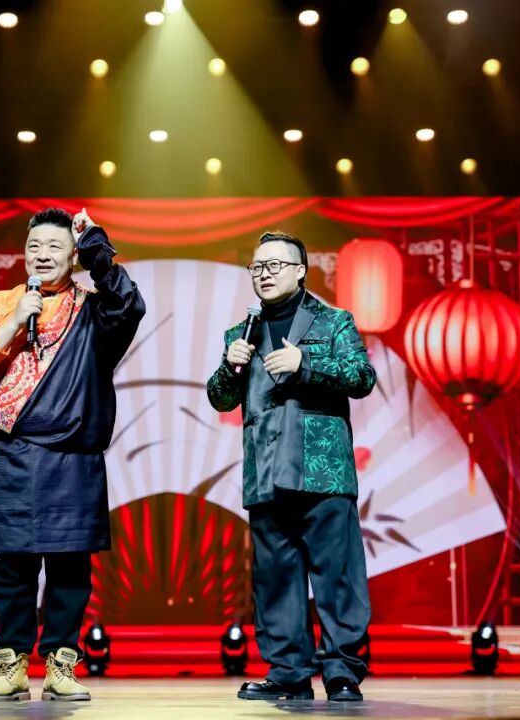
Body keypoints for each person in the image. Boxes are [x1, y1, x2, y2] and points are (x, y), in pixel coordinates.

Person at [0, 207, 145, 702]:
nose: (42, 255)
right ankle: (12, 665)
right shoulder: (3, 302)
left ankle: (61, 665)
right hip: (12, 451)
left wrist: (96, 243)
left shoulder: (93, 309)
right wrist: (13, 323)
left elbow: (130, 305)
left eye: (55, 247)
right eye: (34, 246)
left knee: (70, 568)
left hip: (74, 455)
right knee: (12, 568)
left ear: (73, 256)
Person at [206, 231, 377, 702]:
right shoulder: (241, 332)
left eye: (275, 265)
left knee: (336, 577)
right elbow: (220, 397)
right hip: (265, 471)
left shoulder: (334, 321)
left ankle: (341, 672)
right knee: (276, 580)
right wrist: (229, 366)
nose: (264, 274)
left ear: (300, 271)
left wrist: (306, 364)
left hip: (322, 471)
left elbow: (362, 377)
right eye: (257, 267)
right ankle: (288, 673)